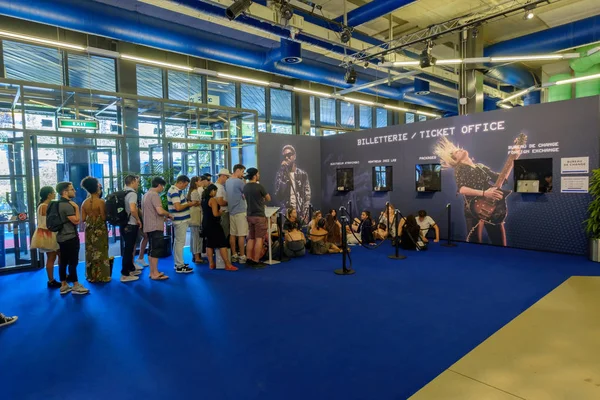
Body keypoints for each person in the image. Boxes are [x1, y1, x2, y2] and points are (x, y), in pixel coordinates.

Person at [434, 136, 519, 246]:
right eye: (456, 153)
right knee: (475, 243)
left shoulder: (480, 167)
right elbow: (462, 189)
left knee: (499, 242)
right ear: (455, 160)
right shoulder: (460, 168)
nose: (459, 150)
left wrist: (514, 158)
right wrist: (484, 193)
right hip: (473, 209)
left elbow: (501, 178)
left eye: (458, 149)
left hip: (492, 207)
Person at [55, 181, 89, 295]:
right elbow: (76, 221)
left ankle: (64, 284)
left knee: (63, 261)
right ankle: (75, 285)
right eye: (72, 189)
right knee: (73, 262)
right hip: (70, 237)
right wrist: (76, 208)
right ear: (65, 192)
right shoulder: (68, 205)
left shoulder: (58, 204)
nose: (74, 191)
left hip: (61, 236)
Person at [81, 176, 111, 283]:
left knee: (90, 251)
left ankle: (91, 275)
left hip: (89, 229)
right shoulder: (101, 201)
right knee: (101, 251)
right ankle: (102, 275)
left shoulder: (84, 202)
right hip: (100, 229)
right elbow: (103, 217)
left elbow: (83, 219)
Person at [201, 184, 237, 271]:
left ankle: (211, 264)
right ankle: (227, 264)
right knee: (222, 243)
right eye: (216, 191)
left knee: (209, 244)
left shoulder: (203, 200)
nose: (216, 193)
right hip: (214, 224)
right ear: (212, 191)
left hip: (205, 223)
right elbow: (215, 214)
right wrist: (221, 212)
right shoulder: (212, 200)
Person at [30, 186, 61, 289]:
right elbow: (51, 219)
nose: (55, 194)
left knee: (55, 256)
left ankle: (56, 278)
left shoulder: (43, 205)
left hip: (46, 233)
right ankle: (51, 280)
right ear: (49, 195)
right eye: (53, 193)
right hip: (48, 233)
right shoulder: (44, 206)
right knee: (52, 257)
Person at [142, 177, 172, 280]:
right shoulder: (154, 195)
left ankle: (153, 272)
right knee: (156, 250)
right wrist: (168, 214)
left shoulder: (146, 195)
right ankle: (155, 273)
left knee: (151, 249)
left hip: (149, 226)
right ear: (159, 185)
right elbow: (159, 211)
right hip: (155, 227)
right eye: (162, 186)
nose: (162, 189)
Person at [168, 175, 199, 273]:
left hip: (180, 220)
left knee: (178, 242)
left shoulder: (175, 191)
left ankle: (178, 263)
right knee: (180, 243)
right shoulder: (175, 191)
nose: (185, 187)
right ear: (180, 182)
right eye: (185, 185)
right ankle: (179, 265)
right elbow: (178, 207)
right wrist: (189, 204)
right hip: (180, 220)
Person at [275, 145, 311, 223]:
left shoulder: (303, 174)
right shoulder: (280, 174)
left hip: (300, 211)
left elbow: (307, 196)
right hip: (286, 211)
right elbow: (279, 194)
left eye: (289, 155)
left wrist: (305, 213)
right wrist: (283, 171)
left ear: (294, 156)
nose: (287, 158)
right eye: (284, 156)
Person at [243, 167, 271, 267]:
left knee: (251, 238)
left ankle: (249, 258)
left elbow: (244, 197)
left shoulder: (245, 187)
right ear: (254, 175)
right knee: (259, 238)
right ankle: (256, 260)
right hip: (259, 215)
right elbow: (268, 198)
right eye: (258, 174)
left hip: (249, 215)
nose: (259, 176)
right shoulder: (259, 187)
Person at [225, 164, 248, 264]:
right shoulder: (239, 181)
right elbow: (246, 192)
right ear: (237, 170)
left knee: (232, 234)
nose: (243, 174)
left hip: (231, 211)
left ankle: (234, 254)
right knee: (241, 234)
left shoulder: (227, 181)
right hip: (240, 211)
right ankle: (242, 255)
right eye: (242, 172)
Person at [121, 175, 142, 283]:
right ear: (133, 182)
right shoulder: (132, 194)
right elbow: (133, 210)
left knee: (128, 248)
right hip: (131, 224)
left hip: (124, 224)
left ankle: (130, 269)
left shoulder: (123, 192)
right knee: (129, 250)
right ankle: (125, 274)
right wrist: (138, 220)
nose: (138, 184)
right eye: (137, 182)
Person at [187, 176, 205, 264]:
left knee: (194, 237)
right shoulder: (194, 192)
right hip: (196, 217)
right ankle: (197, 257)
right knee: (197, 237)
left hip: (194, 217)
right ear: (196, 182)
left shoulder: (192, 191)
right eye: (200, 181)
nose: (201, 182)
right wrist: (200, 202)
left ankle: (195, 255)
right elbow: (195, 203)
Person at [215, 169, 230, 242]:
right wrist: (229, 202)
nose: (227, 179)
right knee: (224, 232)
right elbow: (220, 201)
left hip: (223, 212)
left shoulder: (220, 186)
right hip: (223, 212)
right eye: (227, 177)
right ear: (223, 176)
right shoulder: (219, 187)